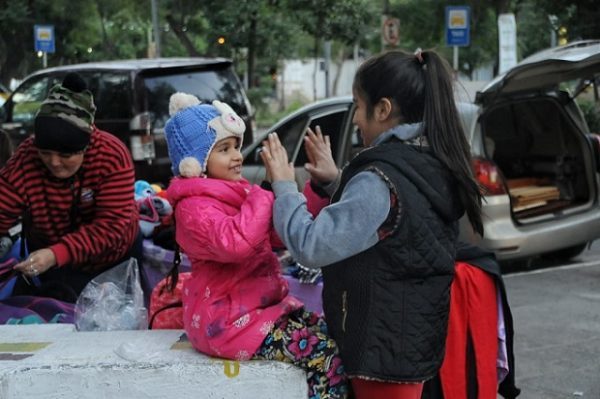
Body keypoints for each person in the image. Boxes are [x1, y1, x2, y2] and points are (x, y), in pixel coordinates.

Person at [260, 49, 484, 399]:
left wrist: (284, 186)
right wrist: (335, 182)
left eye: (359, 106)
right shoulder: (428, 161)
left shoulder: (379, 178)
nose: (357, 120)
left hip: (381, 352)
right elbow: (392, 224)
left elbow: (311, 245)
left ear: (383, 109)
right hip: (406, 344)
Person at [163, 92, 347, 399]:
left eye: (236, 145)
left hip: (260, 311)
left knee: (334, 331)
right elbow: (235, 243)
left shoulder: (237, 193)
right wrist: (267, 192)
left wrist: (313, 189)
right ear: (195, 165)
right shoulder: (193, 208)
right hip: (226, 323)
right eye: (224, 149)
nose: (237, 155)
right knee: (327, 357)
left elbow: (278, 234)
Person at [0, 73, 140, 302]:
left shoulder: (112, 157)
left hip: (114, 260)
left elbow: (111, 227)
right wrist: (53, 256)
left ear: (86, 146)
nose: (54, 162)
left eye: (66, 155)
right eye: (45, 153)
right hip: (52, 262)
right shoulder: (25, 161)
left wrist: (57, 253)